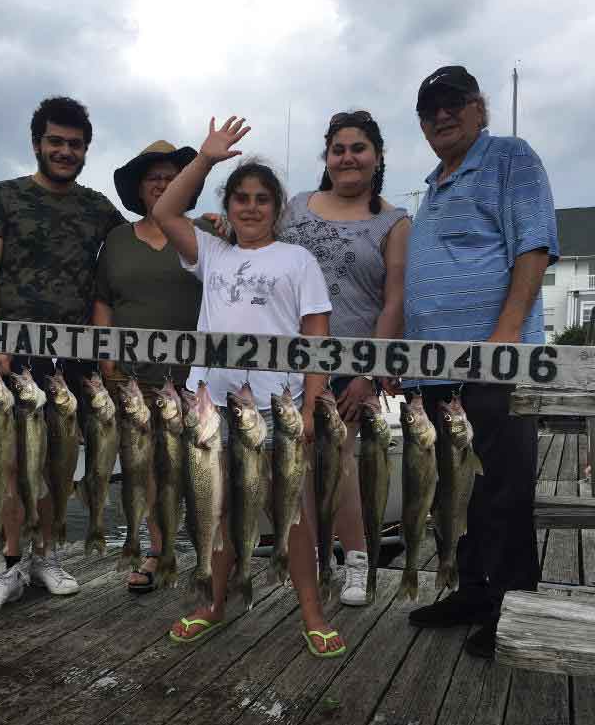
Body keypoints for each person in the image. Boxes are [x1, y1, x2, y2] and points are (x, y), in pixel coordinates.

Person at [153, 116, 345, 657]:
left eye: (262, 199)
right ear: (228, 205)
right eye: (241, 198)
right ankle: (214, 602)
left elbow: (317, 336)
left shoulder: (298, 260)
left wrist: (310, 406)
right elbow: (165, 211)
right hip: (212, 409)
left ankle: (311, 612)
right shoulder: (211, 252)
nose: (251, 207)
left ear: (277, 208)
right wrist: (207, 158)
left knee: (295, 513)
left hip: (276, 408)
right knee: (216, 510)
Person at [403, 65, 559, 658]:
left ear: (479, 108)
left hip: (492, 364)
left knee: (501, 490)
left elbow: (534, 245)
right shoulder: (435, 185)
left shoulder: (509, 157)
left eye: (452, 103)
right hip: (434, 371)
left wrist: (504, 336)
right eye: (429, 109)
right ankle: (471, 591)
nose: (440, 116)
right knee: (453, 489)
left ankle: (513, 607)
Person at [0, 95, 125, 615]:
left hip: (72, 360)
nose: (64, 151)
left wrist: (210, 225)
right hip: (11, 357)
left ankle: (46, 555)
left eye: (74, 145)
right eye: (55, 142)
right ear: (37, 144)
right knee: (12, 463)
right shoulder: (1, 197)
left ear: (85, 151)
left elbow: (144, 243)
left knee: (58, 461)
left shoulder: (98, 208)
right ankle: (7, 565)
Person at [280, 110, 410, 605]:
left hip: (350, 366)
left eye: (358, 148)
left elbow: (394, 301)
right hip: (290, 361)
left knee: (340, 461)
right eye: (338, 149)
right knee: (299, 465)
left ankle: (356, 558)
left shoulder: (394, 221)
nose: (348, 157)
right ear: (327, 157)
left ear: (376, 156)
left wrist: (369, 374)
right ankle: (314, 559)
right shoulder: (295, 207)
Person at [92, 140, 214, 593]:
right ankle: (157, 551)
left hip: (196, 376)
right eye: (153, 179)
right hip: (133, 377)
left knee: (199, 468)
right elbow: (103, 301)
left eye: (170, 177)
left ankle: (210, 554)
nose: (162, 185)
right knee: (147, 470)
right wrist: (107, 360)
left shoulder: (204, 231)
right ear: (139, 189)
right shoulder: (118, 240)